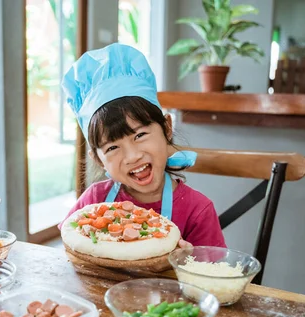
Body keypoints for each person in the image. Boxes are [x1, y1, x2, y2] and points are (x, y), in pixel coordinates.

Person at [61, 43, 225, 247]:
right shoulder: (95, 201)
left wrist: (186, 262)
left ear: (166, 128)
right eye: (112, 148)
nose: (132, 156)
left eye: (139, 135)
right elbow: (67, 250)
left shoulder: (197, 211)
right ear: (98, 159)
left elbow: (212, 274)